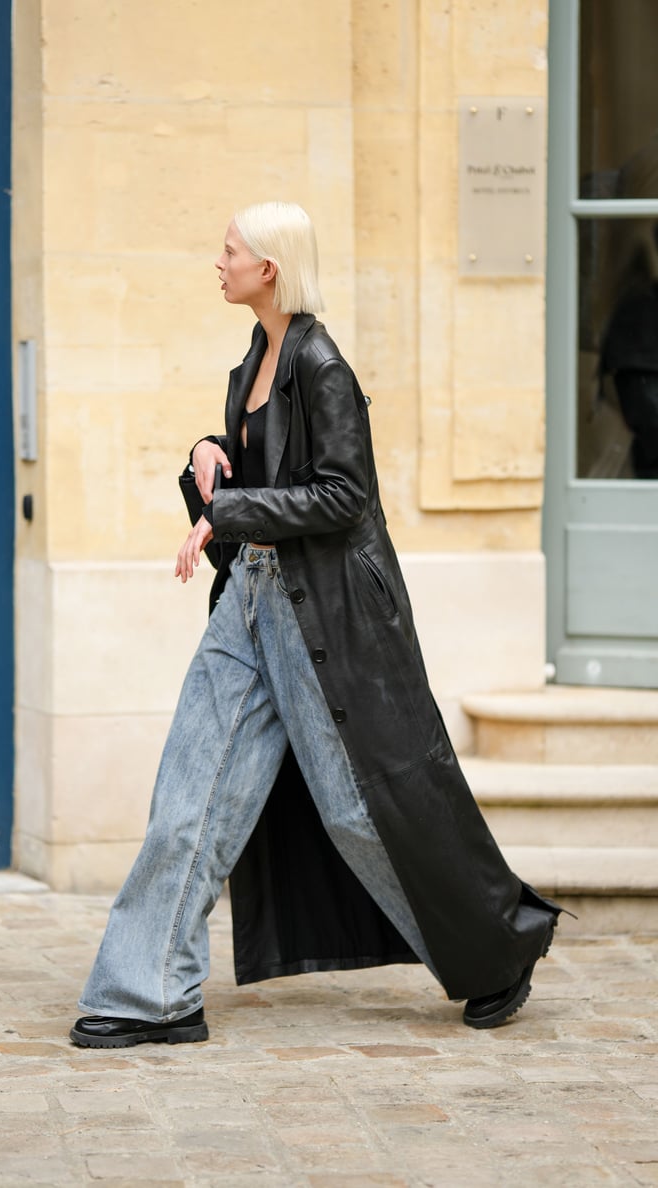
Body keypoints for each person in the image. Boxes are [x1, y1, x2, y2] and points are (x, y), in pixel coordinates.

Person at [70, 201, 561, 1049]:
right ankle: (150, 994)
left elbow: (343, 494)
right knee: (192, 792)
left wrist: (230, 513)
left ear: (270, 267)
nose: (216, 261)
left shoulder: (322, 363)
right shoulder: (257, 357)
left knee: (358, 812)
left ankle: (494, 952)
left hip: (317, 614)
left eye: (229, 250)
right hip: (249, 602)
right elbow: (259, 479)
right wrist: (205, 458)